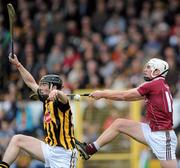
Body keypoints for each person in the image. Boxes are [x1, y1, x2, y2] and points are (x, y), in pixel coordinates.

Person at [75, 58, 177, 168]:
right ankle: (90, 149)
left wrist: (102, 94)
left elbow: (124, 96)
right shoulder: (159, 85)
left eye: (149, 67)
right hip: (153, 131)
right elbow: (127, 98)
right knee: (119, 124)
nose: (145, 69)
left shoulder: (153, 84)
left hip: (163, 136)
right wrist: (103, 96)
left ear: (157, 72)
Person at [0, 54, 77, 168]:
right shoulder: (46, 99)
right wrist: (18, 64)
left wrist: (58, 93)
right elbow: (31, 82)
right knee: (17, 139)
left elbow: (64, 98)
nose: (40, 87)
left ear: (53, 87)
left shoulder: (62, 103)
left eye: (44, 84)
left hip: (64, 155)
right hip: (49, 149)